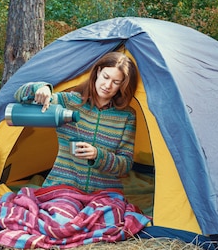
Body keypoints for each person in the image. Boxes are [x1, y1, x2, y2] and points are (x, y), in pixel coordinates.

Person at [13, 51, 139, 193]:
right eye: (105, 77)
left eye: (116, 82)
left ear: (123, 84)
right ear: (98, 72)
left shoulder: (127, 116)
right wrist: (41, 88)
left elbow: (125, 165)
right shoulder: (68, 102)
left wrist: (97, 155)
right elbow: (19, 95)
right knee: (63, 214)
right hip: (63, 187)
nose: (108, 85)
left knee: (108, 216)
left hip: (104, 193)